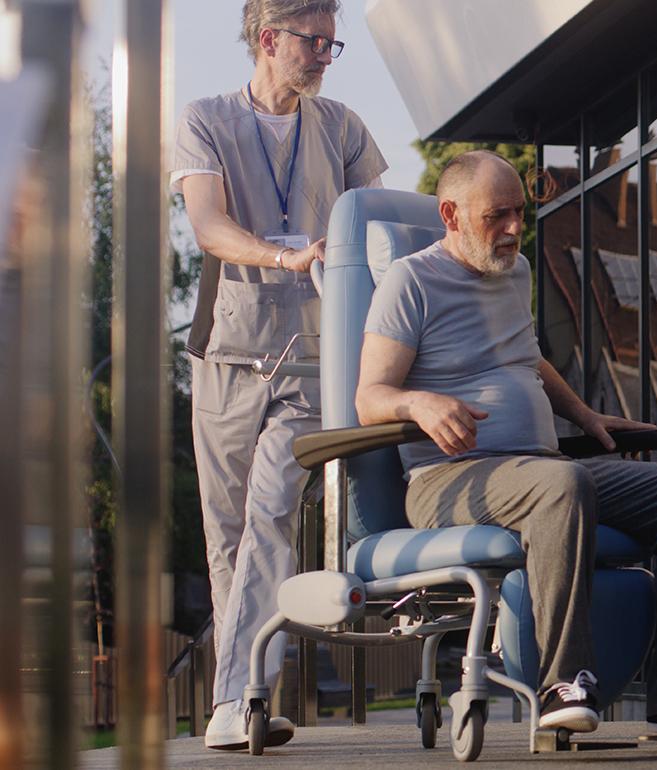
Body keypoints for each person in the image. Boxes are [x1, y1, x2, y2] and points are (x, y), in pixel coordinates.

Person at [355, 150, 657, 734]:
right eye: (495, 217)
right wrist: (419, 403)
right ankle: (562, 682)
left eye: (519, 215)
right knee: (562, 482)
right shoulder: (411, 281)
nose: (512, 230)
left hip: (540, 471)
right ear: (451, 214)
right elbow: (369, 396)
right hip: (449, 480)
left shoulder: (515, 271)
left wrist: (586, 416)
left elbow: (528, 357)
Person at [171, 0, 387, 751]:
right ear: (270, 39)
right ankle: (240, 701)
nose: (327, 54)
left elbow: (383, 218)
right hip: (227, 355)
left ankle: (240, 696)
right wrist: (282, 254)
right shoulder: (205, 119)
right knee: (227, 535)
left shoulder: (343, 126)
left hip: (310, 358)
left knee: (270, 515)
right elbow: (208, 226)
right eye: (315, 41)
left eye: (334, 43)